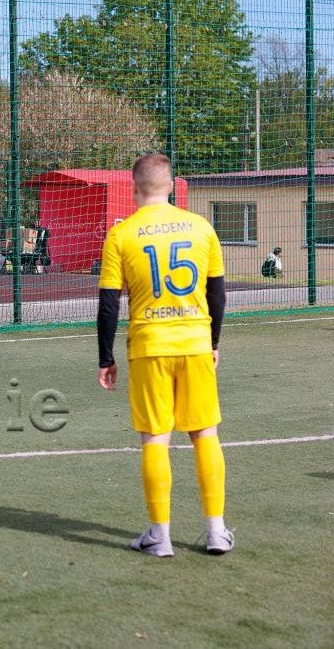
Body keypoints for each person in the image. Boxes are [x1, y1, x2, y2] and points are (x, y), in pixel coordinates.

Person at [97, 153, 232, 557]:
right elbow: (218, 295)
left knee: (156, 438)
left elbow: (108, 305)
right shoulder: (202, 228)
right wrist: (213, 343)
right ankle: (216, 532)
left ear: (134, 188)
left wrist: (106, 358)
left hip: (149, 348)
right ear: (172, 185)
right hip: (194, 344)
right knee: (205, 433)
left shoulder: (121, 235)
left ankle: (160, 536)